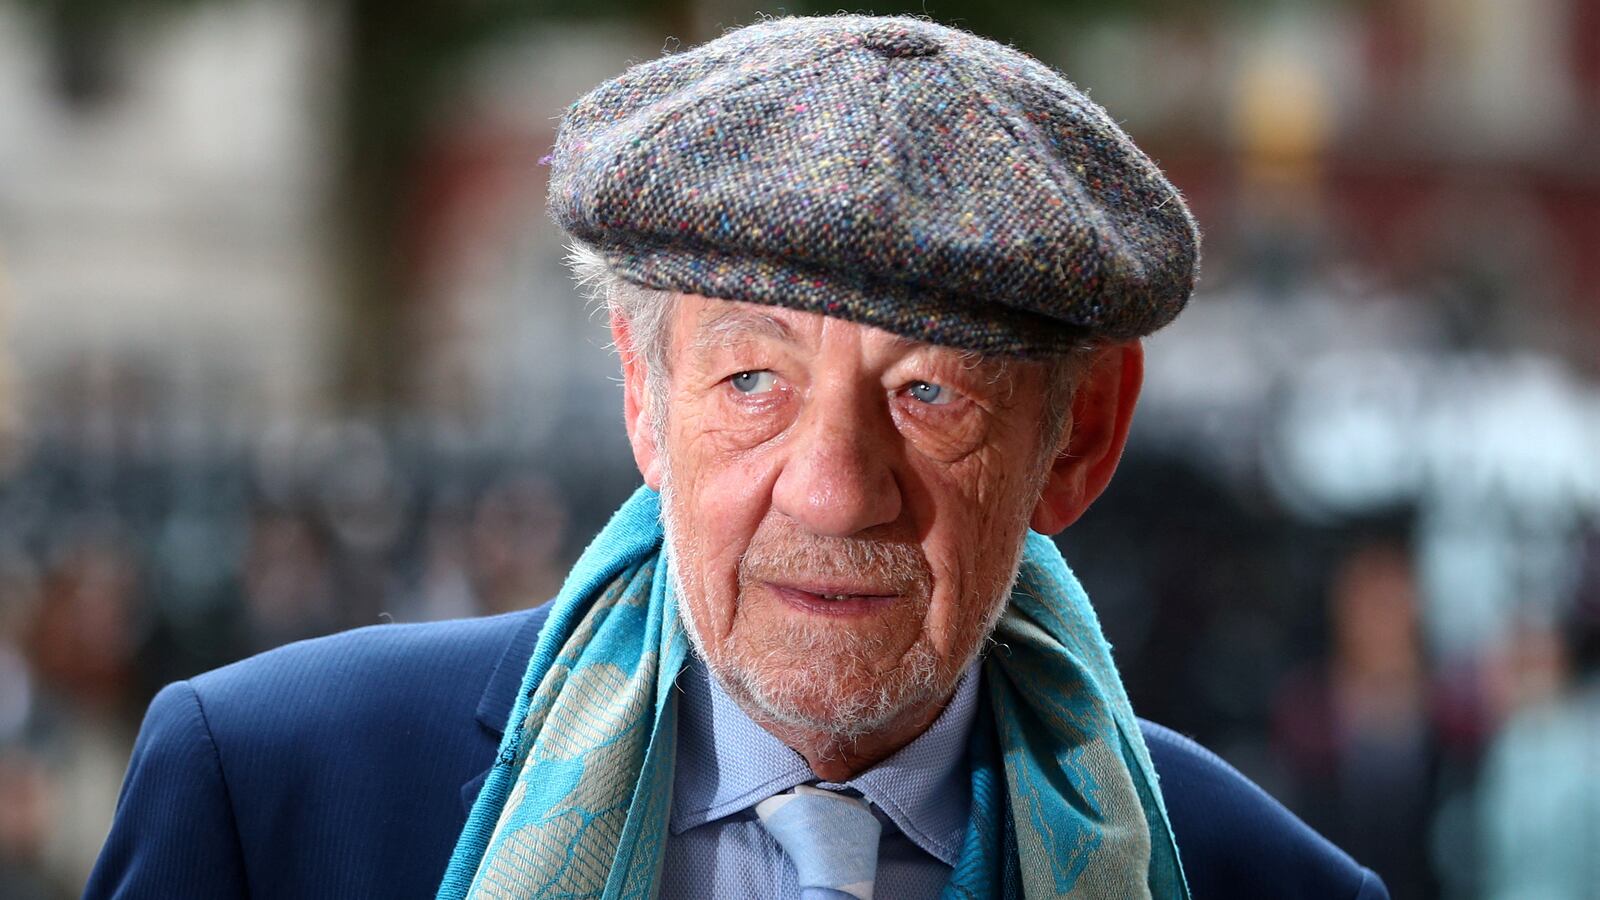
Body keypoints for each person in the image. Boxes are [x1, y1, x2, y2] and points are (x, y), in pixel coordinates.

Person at [87, 15, 1387, 900]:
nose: (832, 489)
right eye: (752, 380)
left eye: (928, 393)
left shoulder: (1258, 879)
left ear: (1081, 437)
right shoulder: (269, 795)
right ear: (643, 397)